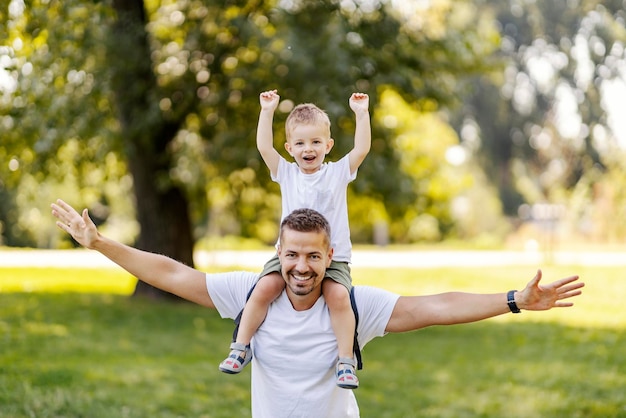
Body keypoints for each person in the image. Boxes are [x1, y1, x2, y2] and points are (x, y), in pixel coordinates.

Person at [51, 200, 584, 418]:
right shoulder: (248, 293)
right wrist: (101, 244)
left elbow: (435, 306)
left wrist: (515, 300)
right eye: (291, 255)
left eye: (312, 256)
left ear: (330, 257)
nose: (301, 267)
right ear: (277, 254)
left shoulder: (350, 303)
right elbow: (170, 273)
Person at [218, 90, 371, 389]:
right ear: (289, 148)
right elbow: (264, 146)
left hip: (333, 257)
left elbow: (362, 148)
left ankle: (345, 362)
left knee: (339, 297)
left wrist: (361, 113)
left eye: (315, 142)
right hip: (288, 255)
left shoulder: (338, 173)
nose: (308, 149)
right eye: (300, 143)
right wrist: (267, 110)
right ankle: (240, 347)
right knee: (264, 287)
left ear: (328, 145)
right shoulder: (286, 174)